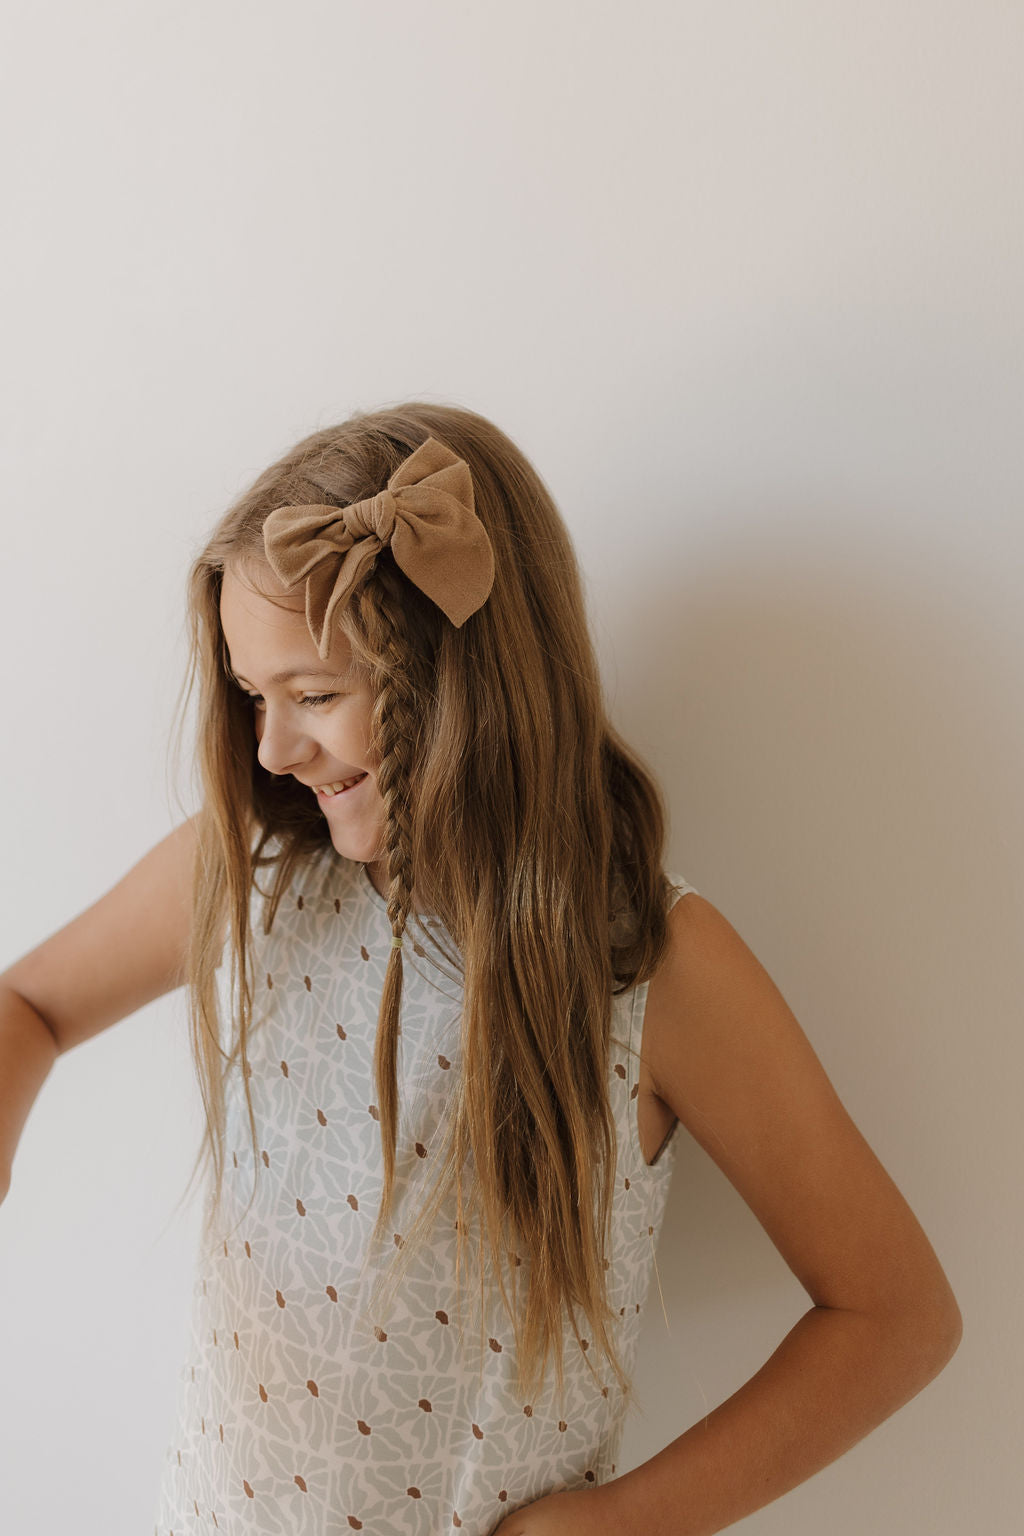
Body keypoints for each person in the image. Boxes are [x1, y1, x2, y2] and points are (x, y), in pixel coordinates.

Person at [0, 401, 961, 1536]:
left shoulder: (655, 970)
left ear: (456, 677)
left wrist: (623, 1523)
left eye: (314, 695)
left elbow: (894, 1314)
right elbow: (31, 1005)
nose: (270, 750)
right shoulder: (253, 875)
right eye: (255, 697)